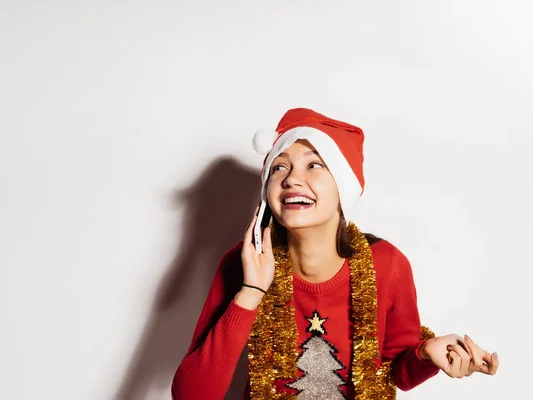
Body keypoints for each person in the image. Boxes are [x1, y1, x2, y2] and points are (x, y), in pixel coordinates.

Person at [171, 108, 499, 399]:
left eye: (314, 165)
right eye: (279, 168)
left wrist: (426, 353)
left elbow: (398, 371)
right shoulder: (242, 263)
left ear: (342, 186)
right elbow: (191, 395)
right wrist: (251, 291)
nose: (292, 179)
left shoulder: (388, 265)